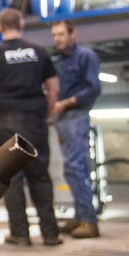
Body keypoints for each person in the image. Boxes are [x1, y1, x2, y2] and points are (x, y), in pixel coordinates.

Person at [0, 8, 61, 246]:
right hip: (34, 119)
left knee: (9, 179)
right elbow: (54, 89)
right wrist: (43, 113)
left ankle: (20, 234)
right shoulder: (39, 51)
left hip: (2, 122)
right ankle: (51, 234)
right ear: (21, 24)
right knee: (40, 176)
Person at [51, 20, 101, 238]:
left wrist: (66, 102)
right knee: (71, 169)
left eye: (61, 34)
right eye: (54, 35)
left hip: (76, 116)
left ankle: (89, 220)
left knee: (75, 167)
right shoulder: (59, 62)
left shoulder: (85, 56)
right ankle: (80, 215)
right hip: (62, 119)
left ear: (73, 33)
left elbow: (93, 88)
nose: (57, 39)